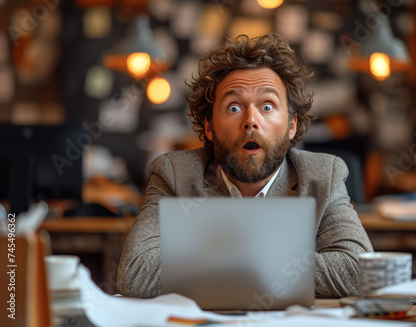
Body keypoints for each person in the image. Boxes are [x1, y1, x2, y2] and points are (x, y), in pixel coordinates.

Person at [117, 33, 373, 298]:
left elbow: (359, 270)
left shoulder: (324, 175)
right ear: (209, 127)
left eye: (267, 106)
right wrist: (274, 266)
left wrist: (224, 261)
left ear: (291, 126)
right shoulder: (174, 174)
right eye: (234, 108)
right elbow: (136, 274)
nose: (251, 120)